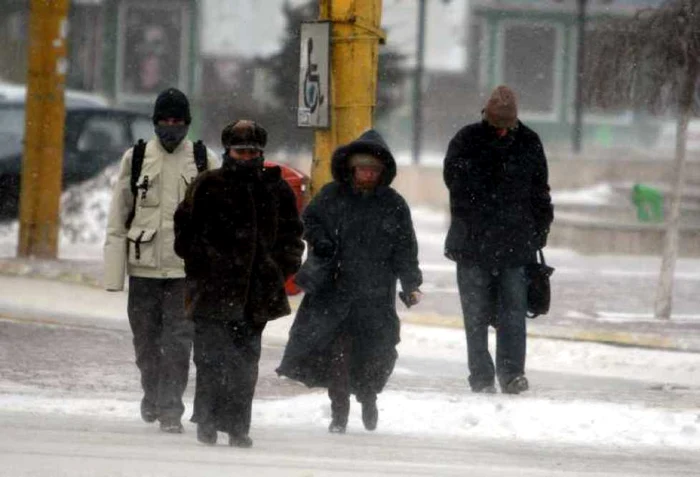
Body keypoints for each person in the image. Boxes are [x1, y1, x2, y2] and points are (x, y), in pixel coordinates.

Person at [276, 129, 423, 434]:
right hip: (336, 293)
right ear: (352, 168)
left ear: (382, 172)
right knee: (338, 357)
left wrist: (411, 284)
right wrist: (322, 241)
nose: (368, 174)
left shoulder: (393, 204)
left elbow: (405, 249)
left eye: (374, 170)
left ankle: (368, 397)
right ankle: (338, 413)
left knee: (374, 354)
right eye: (363, 169)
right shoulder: (331, 196)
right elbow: (309, 220)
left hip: (375, 296)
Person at [173, 120, 304, 447]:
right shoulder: (208, 185)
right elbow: (184, 232)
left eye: (253, 152)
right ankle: (207, 420)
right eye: (240, 151)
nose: (247, 157)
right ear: (228, 151)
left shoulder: (276, 189)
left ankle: (237, 426)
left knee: (245, 364)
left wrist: (277, 269)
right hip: (211, 292)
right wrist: (202, 264)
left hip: (256, 295)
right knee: (210, 359)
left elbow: (292, 238)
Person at [103, 87, 219, 433]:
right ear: (155, 122)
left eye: (178, 121)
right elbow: (118, 216)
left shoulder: (203, 160)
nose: (171, 126)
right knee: (146, 343)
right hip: (143, 269)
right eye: (165, 120)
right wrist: (114, 275)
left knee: (179, 343)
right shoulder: (136, 158)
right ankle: (151, 393)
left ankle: (171, 409)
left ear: (187, 123)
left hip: (185, 271)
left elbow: (219, 220)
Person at [443, 85, 553, 395]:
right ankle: (480, 376)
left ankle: (512, 374)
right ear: (486, 117)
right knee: (476, 317)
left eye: (508, 126)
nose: (503, 132)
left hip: (514, 246)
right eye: (497, 125)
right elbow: (455, 183)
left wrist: (539, 231)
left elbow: (540, 191)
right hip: (473, 244)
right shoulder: (467, 140)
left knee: (513, 315)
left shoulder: (529, 142)